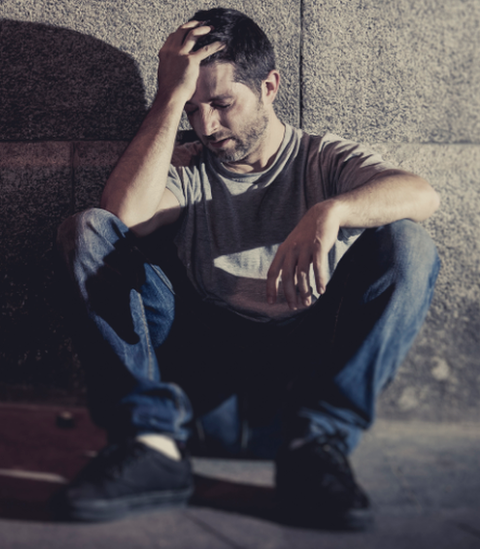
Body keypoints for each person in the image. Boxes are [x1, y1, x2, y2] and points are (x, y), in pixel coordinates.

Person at [53, 7, 440, 530]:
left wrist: (332, 211)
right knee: (87, 230)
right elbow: (123, 216)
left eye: (222, 103)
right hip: (200, 390)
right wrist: (169, 97)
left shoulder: (320, 159)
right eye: (193, 109)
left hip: (298, 390)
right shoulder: (190, 167)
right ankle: (149, 446)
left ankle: (319, 445)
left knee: (408, 242)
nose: (207, 125)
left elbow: (421, 193)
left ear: (270, 86)